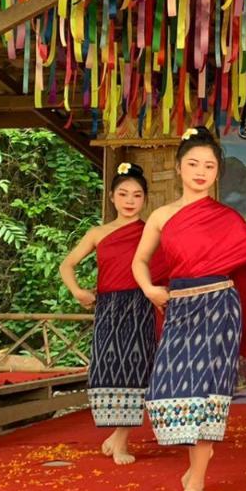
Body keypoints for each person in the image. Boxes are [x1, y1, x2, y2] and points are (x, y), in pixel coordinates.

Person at [132, 127, 246, 491]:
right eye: (193, 163)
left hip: (220, 309)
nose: (200, 171)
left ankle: (197, 482)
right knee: (169, 389)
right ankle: (194, 469)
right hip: (179, 307)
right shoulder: (161, 215)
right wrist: (148, 289)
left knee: (208, 393)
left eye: (209, 165)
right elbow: (140, 261)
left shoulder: (227, 218)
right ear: (179, 168)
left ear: (216, 172)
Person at [59, 163, 165, 465]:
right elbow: (66, 265)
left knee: (138, 371)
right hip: (108, 307)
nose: (130, 201)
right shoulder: (98, 233)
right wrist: (78, 291)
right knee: (109, 370)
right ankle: (116, 436)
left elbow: (169, 265)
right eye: (123, 194)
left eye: (136, 195)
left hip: (141, 306)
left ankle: (120, 441)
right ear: (112, 197)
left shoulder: (151, 232)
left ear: (145, 199)